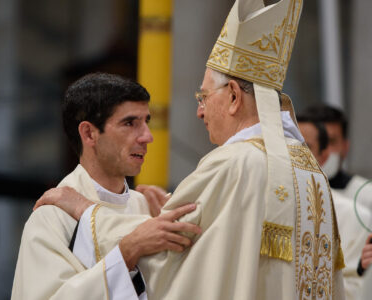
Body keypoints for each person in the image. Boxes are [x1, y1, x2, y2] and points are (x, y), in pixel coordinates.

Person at [37, 1, 346, 299]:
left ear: (234, 96)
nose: (200, 111)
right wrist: (173, 206)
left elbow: (162, 251)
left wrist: (86, 211)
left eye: (204, 97)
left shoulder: (233, 164)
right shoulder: (308, 168)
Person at [11, 73, 201, 300]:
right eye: (130, 123)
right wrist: (125, 255)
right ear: (89, 133)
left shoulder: (145, 207)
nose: (147, 137)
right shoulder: (52, 217)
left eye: (146, 122)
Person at [297, 116, 371, 300]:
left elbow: (356, 288)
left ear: (324, 155)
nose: (294, 156)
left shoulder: (353, 214)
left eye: (304, 148)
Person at [300, 104, 372, 212]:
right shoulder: (291, 194)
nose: (324, 151)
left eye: (330, 141)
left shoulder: (366, 196)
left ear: (345, 147)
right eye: (311, 144)